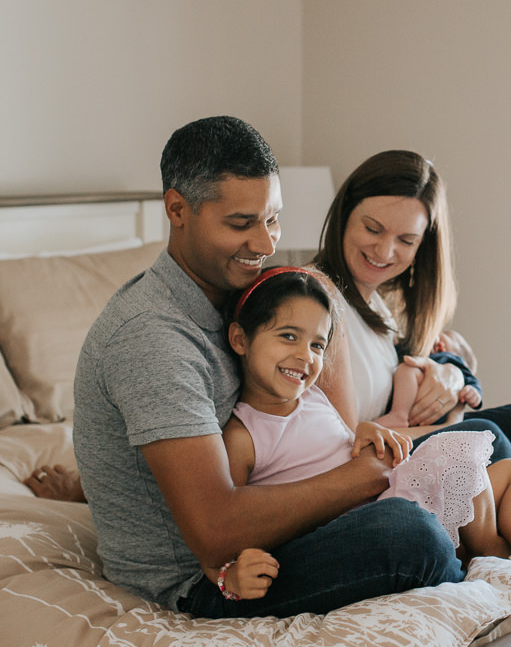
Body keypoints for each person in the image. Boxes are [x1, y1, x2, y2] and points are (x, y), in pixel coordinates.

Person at [70, 116, 463, 619]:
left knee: (510, 440)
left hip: (278, 525)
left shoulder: (242, 298)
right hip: (211, 577)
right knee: (412, 534)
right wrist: (365, 476)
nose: (265, 243)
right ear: (177, 210)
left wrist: (445, 372)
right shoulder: (152, 338)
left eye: (272, 219)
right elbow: (215, 532)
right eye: (240, 224)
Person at [201, 267, 511, 608]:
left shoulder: (313, 398)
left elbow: (341, 440)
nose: (304, 356)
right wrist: (229, 574)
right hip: (364, 519)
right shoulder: (243, 436)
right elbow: (225, 528)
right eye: (288, 337)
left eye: (317, 345)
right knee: (461, 452)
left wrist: (365, 433)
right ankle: (500, 557)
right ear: (239, 338)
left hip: (392, 487)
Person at [315, 150, 511, 498]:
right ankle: (498, 497)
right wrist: (454, 421)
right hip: (380, 456)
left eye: (406, 240)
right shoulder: (318, 299)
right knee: (510, 441)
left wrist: (450, 374)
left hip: (413, 434)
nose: (385, 251)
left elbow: (419, 369)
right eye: (373, 229)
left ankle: (499, 492)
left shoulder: (379, 305)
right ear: (344, 214)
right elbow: (349, 443)